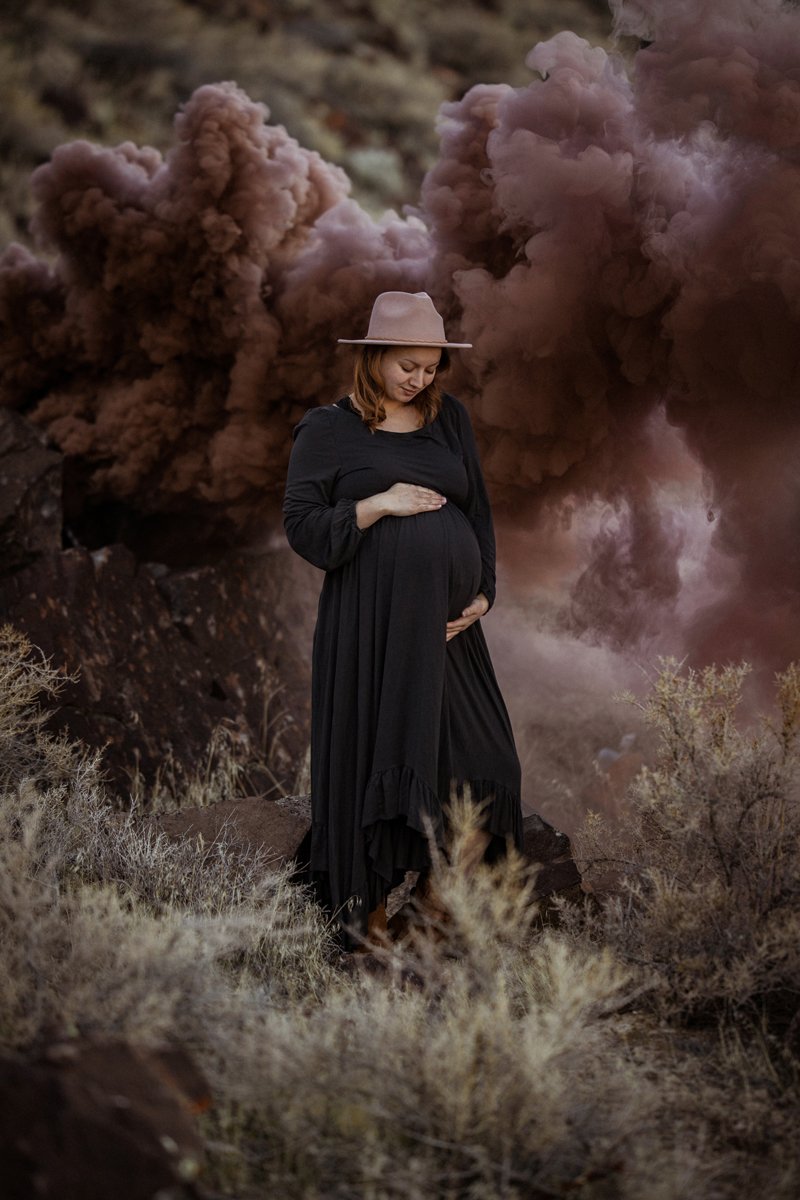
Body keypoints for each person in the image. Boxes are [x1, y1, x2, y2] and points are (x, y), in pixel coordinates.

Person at [283, 290, 523, 948]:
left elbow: (477, 514)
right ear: (374, 357)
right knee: (377, 762)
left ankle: (430, 912)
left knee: (492, 766)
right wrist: (377, 504)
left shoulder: (450, 420)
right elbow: (303, 526)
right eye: (407, 365)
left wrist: (484, 594)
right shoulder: (328, 429)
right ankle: (369, 926)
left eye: (431, 367)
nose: (420, 378)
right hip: (373, 627)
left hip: (449, 635)